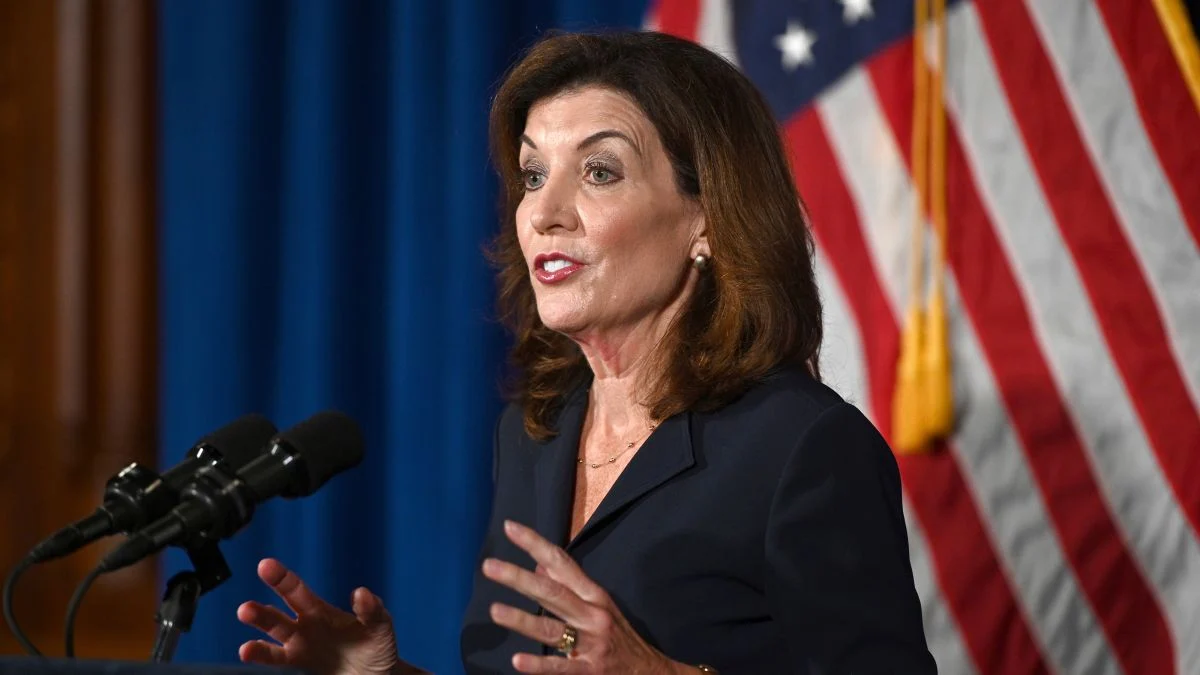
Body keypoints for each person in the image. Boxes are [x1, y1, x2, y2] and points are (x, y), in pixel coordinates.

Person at [236, 30, 937, 674]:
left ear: (708, 220)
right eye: (533, 175)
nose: (544, 213)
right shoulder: (534, 432)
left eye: (599, 172)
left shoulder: (804, 447)